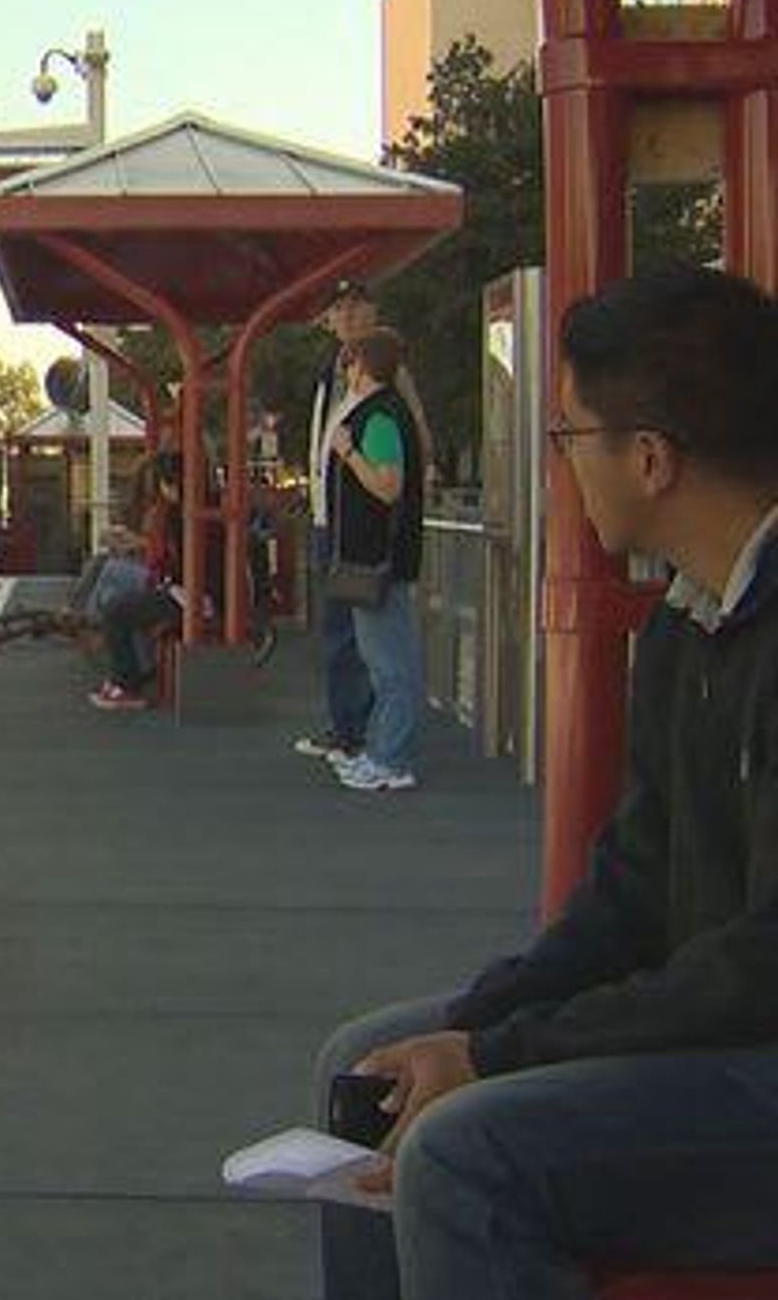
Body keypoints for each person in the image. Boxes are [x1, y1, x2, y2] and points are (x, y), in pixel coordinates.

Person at [312, 266, 778, 1300]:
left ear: (649, 458)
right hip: (726, 1035)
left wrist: (494, 1054)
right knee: (369, 1064)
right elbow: (627, 890)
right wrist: (476, 1024)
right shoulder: (681, 628)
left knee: (464, 1156)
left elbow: (758, 962)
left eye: (569, 437)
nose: (560, 466)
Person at [296, 281, 434, 765]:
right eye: (338, 309)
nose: (346, 316)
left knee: (375, 640)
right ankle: (351, 727)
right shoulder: (326, 375)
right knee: (343, 628)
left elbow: (406, 449)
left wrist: (354, 457)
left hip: (366, 527)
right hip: (330, 515)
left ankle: (375, 740)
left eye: (355, 307)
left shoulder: (387, 386)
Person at [323, 328, 425, 792]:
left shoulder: (380, 418)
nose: (345, 371)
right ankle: (382, 751)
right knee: (382, 658)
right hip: (375, 558)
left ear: (362, 365)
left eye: (349, 363)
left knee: (389, 664)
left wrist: (349, 453)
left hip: (377, 559)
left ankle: (390, 758)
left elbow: (388, 485)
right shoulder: (382, 413)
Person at [85, 453, 185, 711]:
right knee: (112, 591)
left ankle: (125, 680)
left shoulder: (175, 513)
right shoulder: (174, 511)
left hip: (181, 592)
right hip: (174, 586)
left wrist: (134, 544)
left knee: (111, 583)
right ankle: (131, 668)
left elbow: (163, 559)